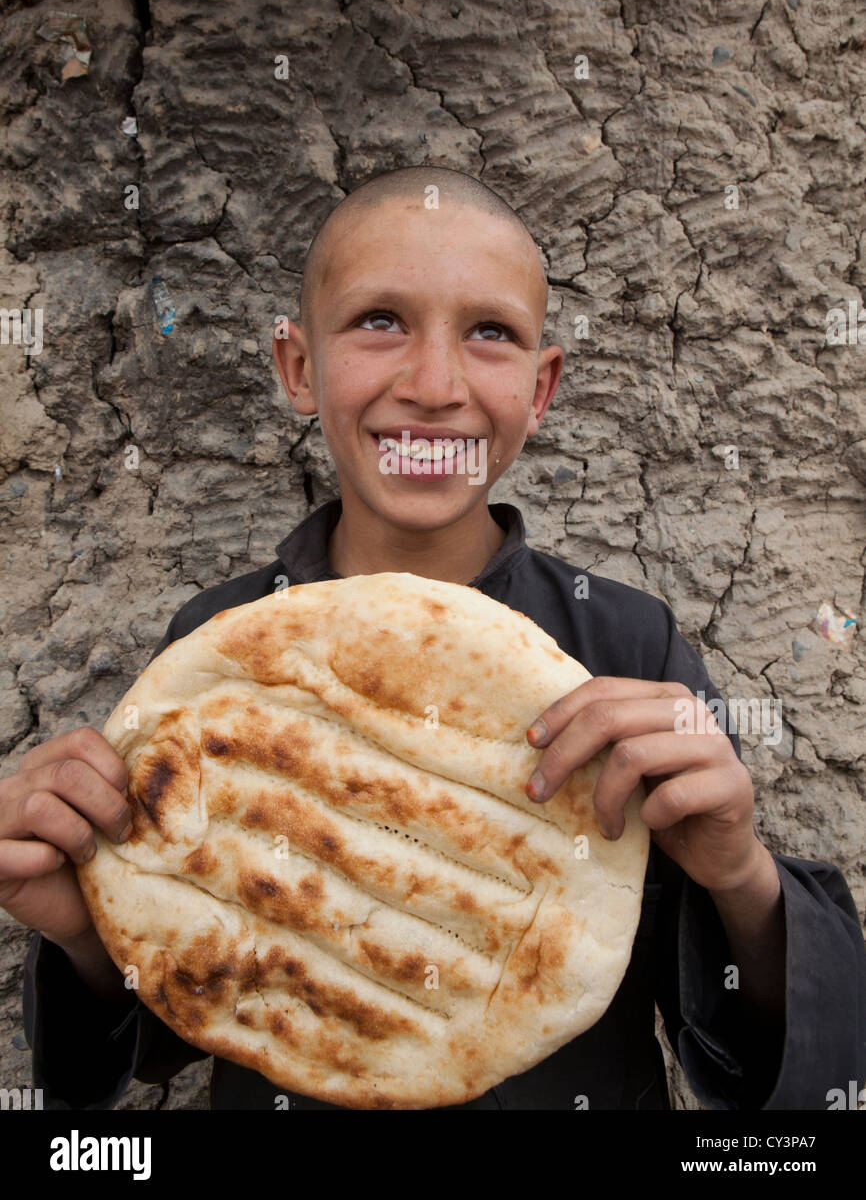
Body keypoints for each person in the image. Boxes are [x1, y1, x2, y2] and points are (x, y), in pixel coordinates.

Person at [5, 165, 865, 1110]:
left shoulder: (626, 648)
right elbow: (193, 995)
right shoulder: (215, 655)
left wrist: (740, 875)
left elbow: (772, 1054)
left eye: (489, 333)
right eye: (380, 321)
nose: (434, 384)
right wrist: (85, 932)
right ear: (299, 368)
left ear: (541, 390)